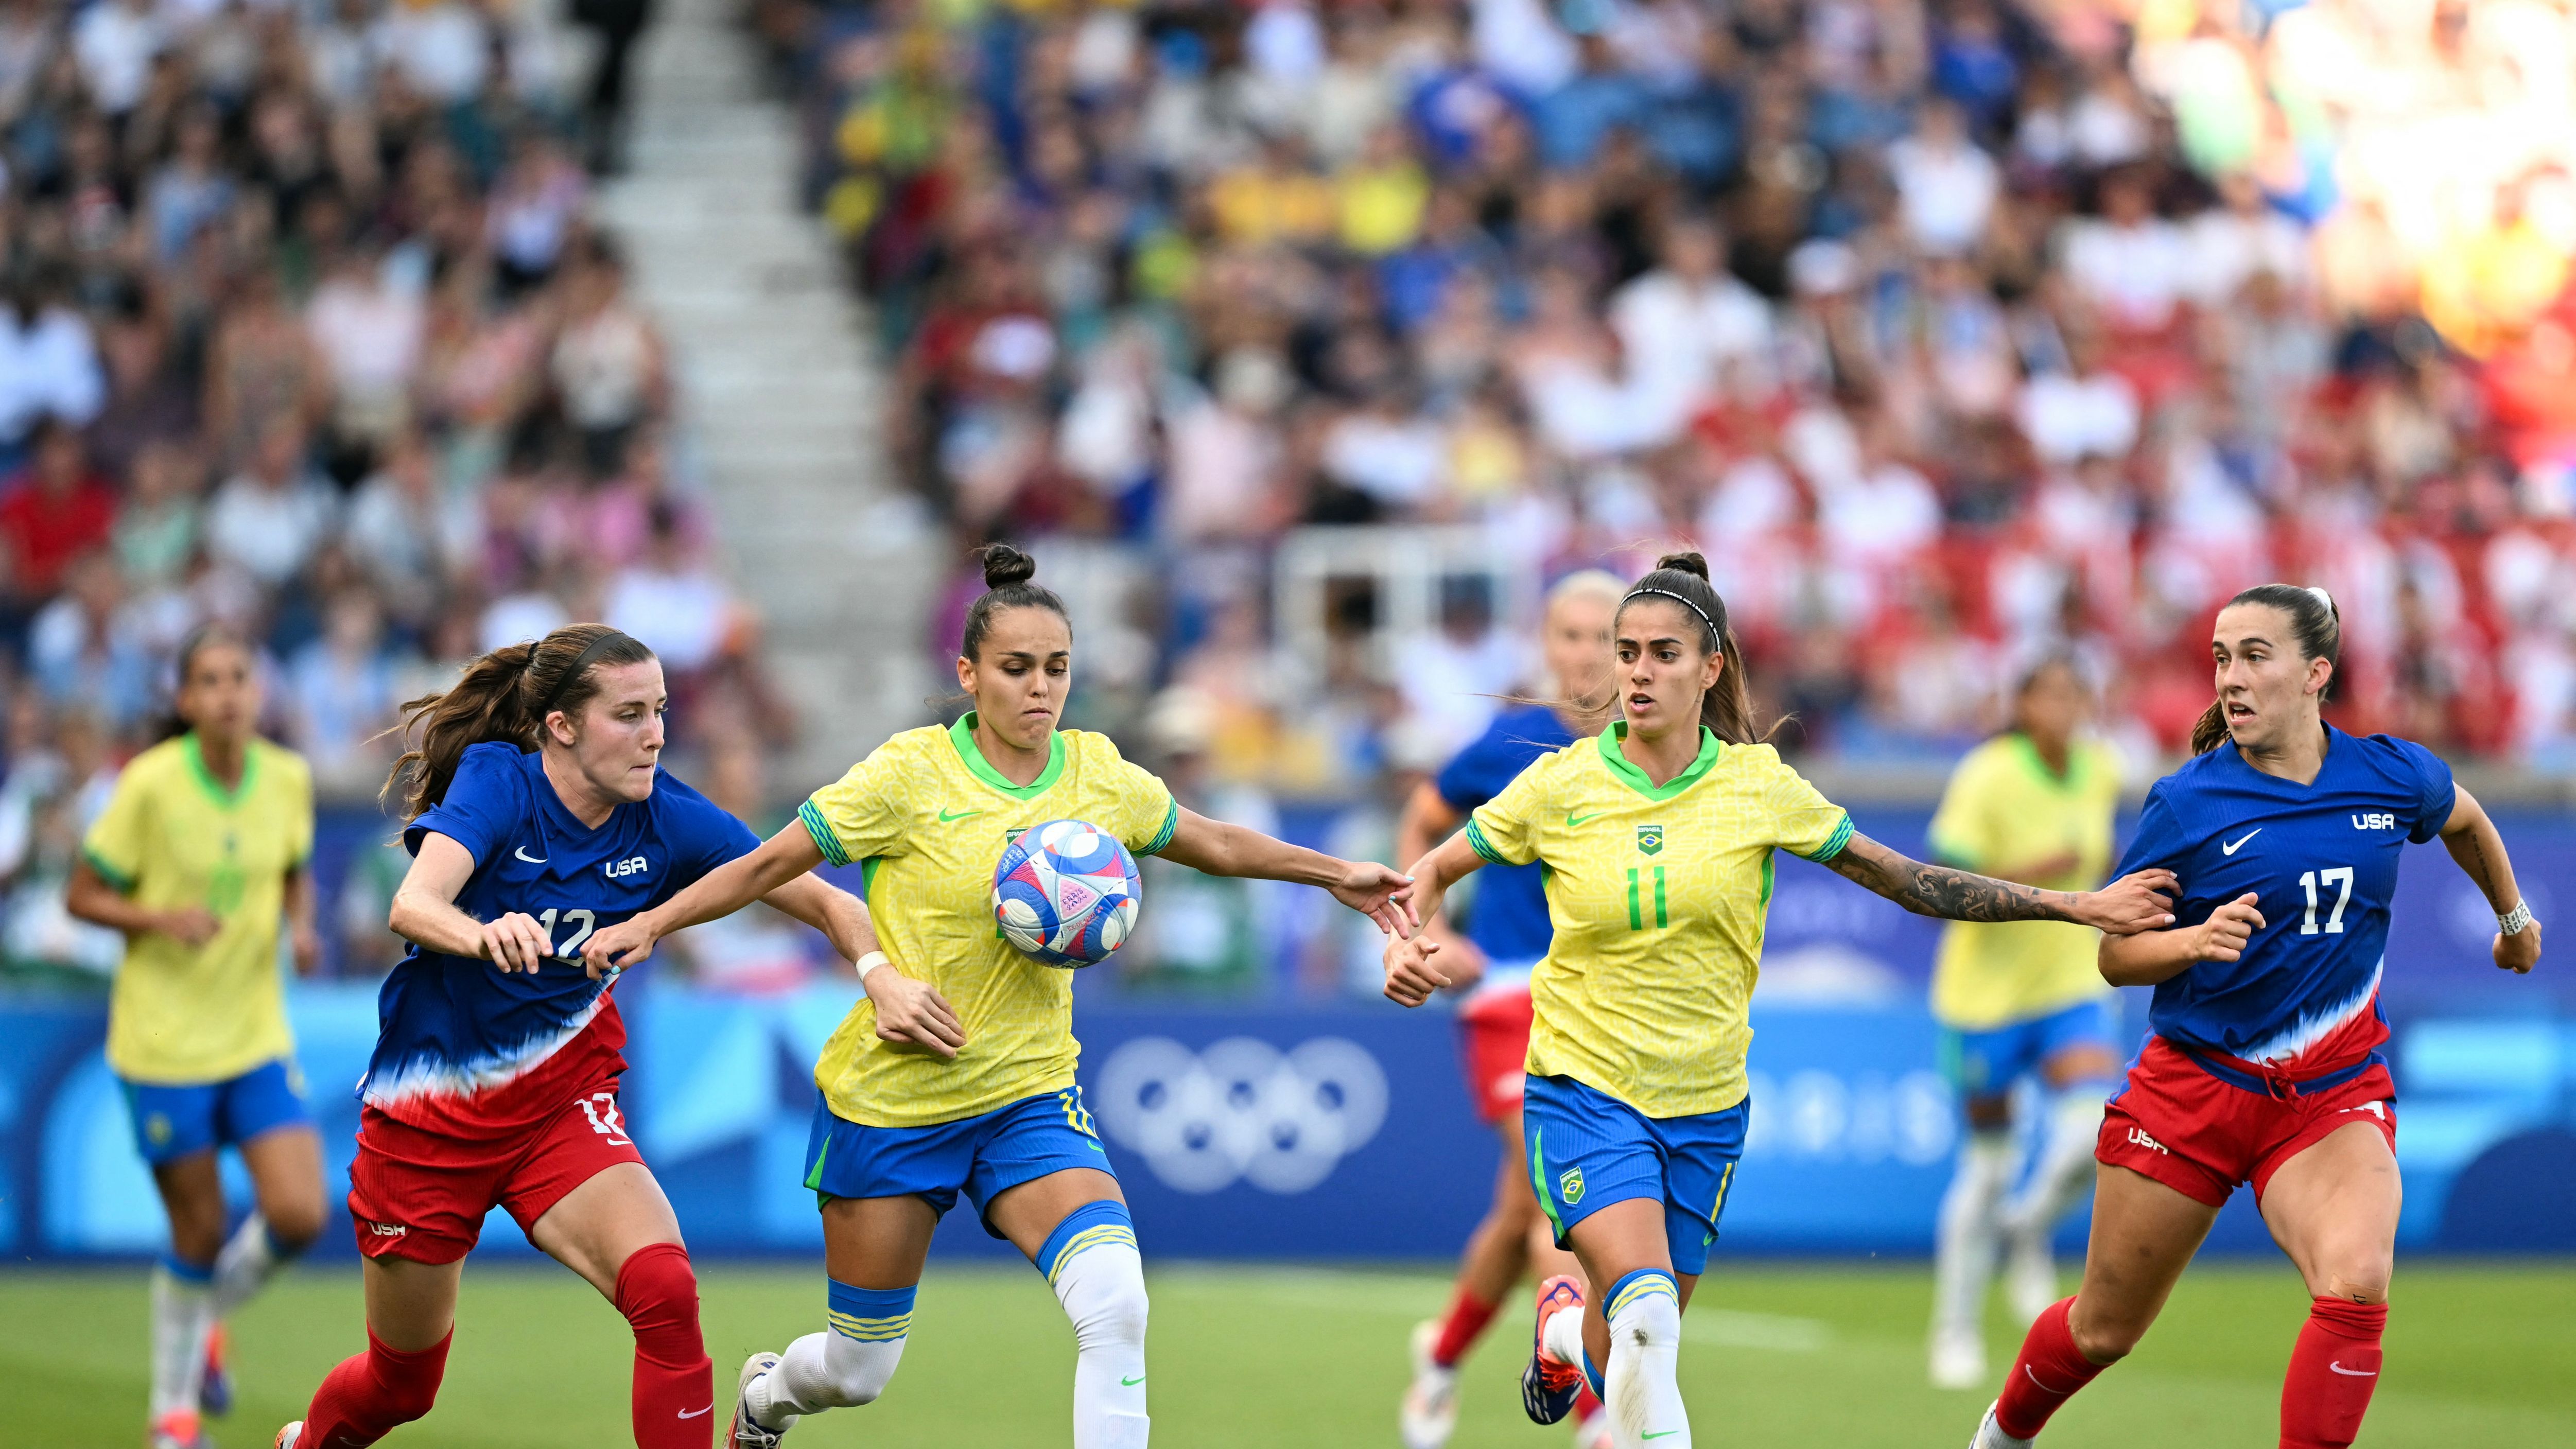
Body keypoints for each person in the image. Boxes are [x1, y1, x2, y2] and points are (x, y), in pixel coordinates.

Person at [579, 544, 1418, 1449]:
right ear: (969, 673)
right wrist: (656, 922)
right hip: (895, 1103)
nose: (1039, 688)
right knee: (858, 1371)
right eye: (1016, 668)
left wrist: (1338, 874)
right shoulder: (907, 776)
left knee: (1116, 1303)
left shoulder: (1098, 772)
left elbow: (1207, 839)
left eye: (1057, 668)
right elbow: (771, 863)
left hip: (1028, 1098)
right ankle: (767, 1401)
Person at [1381, 553, 2177, 1449]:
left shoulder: (1757, 786)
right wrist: (1414, 942)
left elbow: (1909, 880)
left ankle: (1563, 1331)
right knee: (1650, 1323)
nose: (1638, 672)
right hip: (1582, 1090)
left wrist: (2077, 906)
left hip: (1706, 1108)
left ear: (1711, 666)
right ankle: (1573, 1334)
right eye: (1626, 652)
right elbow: (1434, 867)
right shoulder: (1560, 784)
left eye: (1663, 654)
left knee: (1629, 1340)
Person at [270, 624, 875, 1449]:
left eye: (660, 710)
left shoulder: (664, 816)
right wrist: (482, 933)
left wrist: (880, 969)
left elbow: (827, 901)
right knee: (402, 1385)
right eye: (629, 714)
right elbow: (413, 905)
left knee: (664, 1288)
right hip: (428, 1124)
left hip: (559, 1107)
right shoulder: (499, 783)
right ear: (561, 726)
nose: (656, 733)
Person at [1968, 585, 2545, 1449]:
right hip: (2192, 1092)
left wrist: (2512, 917)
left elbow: (2463, 817)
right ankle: (2003, 1436)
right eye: (2221, 658)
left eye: (2254, 656)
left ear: (2317, 673)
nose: (2231, 678)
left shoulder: (2389, 774)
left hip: (2328, 1095)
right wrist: (2193, 941)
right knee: (2102, 1331)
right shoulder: (2189, 801)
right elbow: (2117, 955)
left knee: (2355, 1283)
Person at [67, 625, 327, 1449]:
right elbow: (82, 895)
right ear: (184, 701)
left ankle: (202, 1323)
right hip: (164, 1042)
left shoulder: (287, 778)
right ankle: (172, 1419)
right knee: (200, 1231)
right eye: (208, 680)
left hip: (253, 1033)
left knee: (300, 1213)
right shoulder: (147, 786)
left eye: (239, 677)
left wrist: (304, 926)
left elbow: (292, 868)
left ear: (259, 692)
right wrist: (157, 917)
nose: (225, 693)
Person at [1396, 569, 1622, 1449]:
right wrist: (1431, 928)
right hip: (1506, 997)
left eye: (1603, 636)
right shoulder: (1508, 742)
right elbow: (1421, 825)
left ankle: (1442, 1357)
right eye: (1568, 636)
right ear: (1545, 645)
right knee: (1554, 1198)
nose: (1585, 654)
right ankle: (1597, 1414)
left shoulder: (1651, 751)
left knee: (1518, 1210)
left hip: (1601, 1003)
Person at [1925, 656, 2127, 1388]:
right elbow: (1942, 877)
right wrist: (2037, 874)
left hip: (2070, 986)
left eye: (2080, 693)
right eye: (2055, 693)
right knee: (1986, 1170)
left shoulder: (2100, 768)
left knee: (2090, 1131)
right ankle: (1954, 1329)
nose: (2070, 706)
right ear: (2024, 704)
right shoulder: (1987, 775)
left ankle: (2030, 1223)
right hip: (1984, 1000)